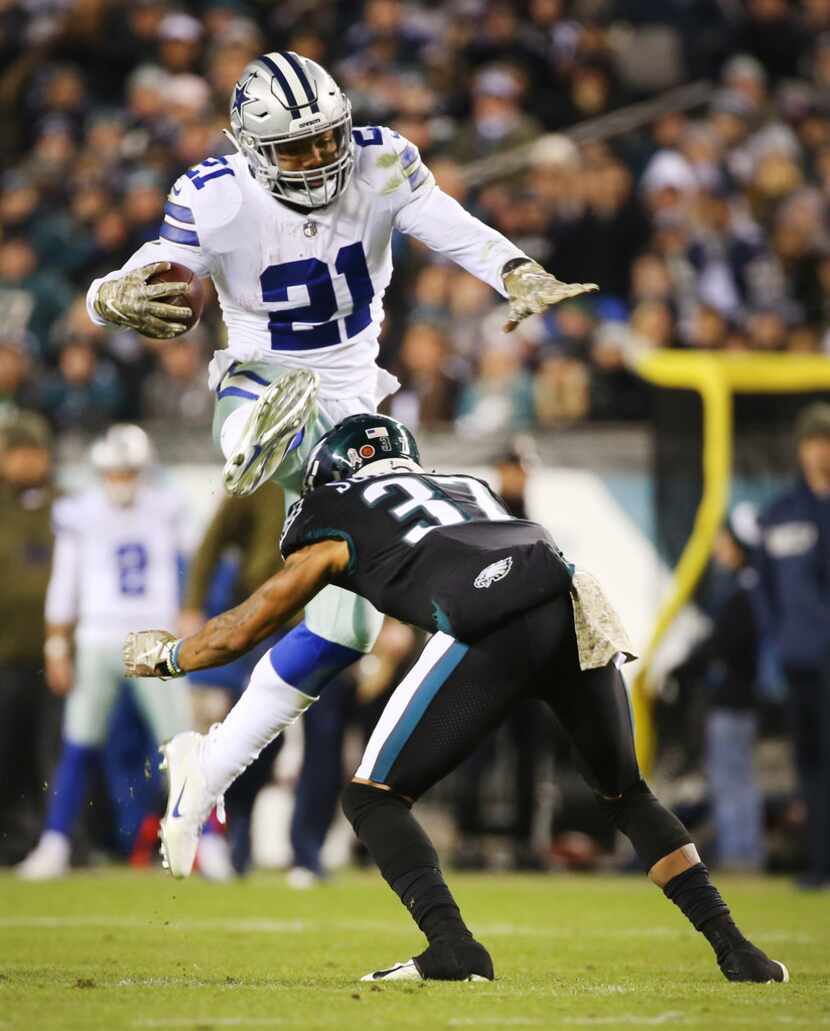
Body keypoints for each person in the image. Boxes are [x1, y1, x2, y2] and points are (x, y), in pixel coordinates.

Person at [124, 414, 788, 986]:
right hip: (567, 596)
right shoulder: (464, 483)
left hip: (487, 614)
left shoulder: (335, 512)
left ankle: (453, 946)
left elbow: (251, 622)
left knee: (372, 796)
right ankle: (739, 950)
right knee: (627, 793)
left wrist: (173, 655)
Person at [87, 50, 596, 780]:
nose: (322, 155)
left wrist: (513, 268)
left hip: (357, 403)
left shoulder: (380, 160)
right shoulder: (216, 194)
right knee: (263, 406)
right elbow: (153, 268)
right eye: (298, 145)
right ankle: (265, 438)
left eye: (328, 137)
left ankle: (213, 767)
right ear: (252, 148)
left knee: (347, 630)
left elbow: (444, 222)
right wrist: (106, 296)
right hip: (261, 376)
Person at [17, 424, 193, 879]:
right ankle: (55, 841)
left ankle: (205, 841)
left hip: (154, 638)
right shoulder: (80, 511)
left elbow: (189, 567)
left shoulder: (166, 505)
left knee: (183, 747)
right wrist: (57, 644)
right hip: (97, 635)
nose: (122, 479)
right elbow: (65, 580)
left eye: (129, 470)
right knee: (78, 743)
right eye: (115, 471)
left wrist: (190, 614)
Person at [757, 403, 830, 888]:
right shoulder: (779, 512)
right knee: (809, 765)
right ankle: (819, 863)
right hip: (798, 657)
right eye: (814, 441)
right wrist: (776, 645)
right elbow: (765, 590)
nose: (820, 451)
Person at [669, 506, 765, 871]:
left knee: (732, 779)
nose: (718, 548)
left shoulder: (744, 592)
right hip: (736, 698)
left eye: (725, 541)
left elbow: (723, 644)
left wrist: (690, 664)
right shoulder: (746, 589)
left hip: (734, 700)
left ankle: (742, 855)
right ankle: (742, 851)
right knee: (734, 777)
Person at [0, 411, 59, 863]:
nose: (27, 462)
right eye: (18, 452)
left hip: (54, 657)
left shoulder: (67, 506)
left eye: (34, 452)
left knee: (50, 754)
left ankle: (50, 841)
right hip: (4, 655)